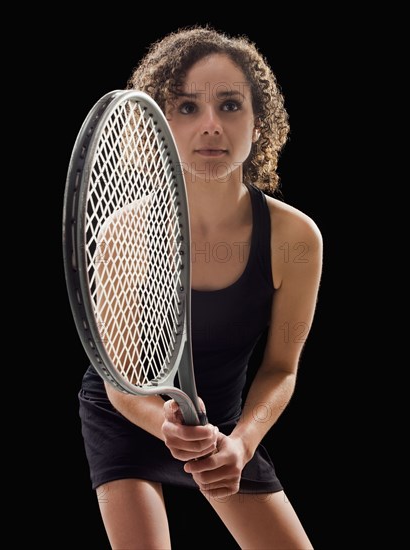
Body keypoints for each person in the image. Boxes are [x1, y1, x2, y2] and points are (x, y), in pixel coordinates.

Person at [78, 25, 323, 549]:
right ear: (162, 122)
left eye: (230, 105)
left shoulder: (295, 238)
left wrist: (240, 444)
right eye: (187, 107)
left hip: (225, 426)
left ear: (259, 124)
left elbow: (281, 369)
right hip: (130, 418)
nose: (211, 124)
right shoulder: (127, 231)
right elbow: (118, 380)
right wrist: (165, 426)